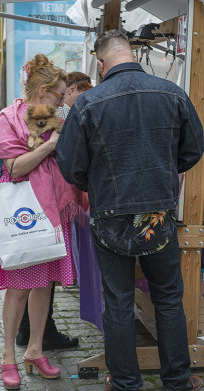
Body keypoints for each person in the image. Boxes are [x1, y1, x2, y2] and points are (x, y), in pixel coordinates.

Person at [56, 30, 204, 391]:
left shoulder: (88, 103)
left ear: (101, 63)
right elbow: (194, 148)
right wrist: (167, 172)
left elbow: (70, 166)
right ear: (132, 55)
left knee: (118, 301)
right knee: (168, 297)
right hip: (158, 214)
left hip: (110, 214)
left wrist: (97, 182)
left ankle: (124, 382)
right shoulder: (172, 93)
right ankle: (177, 380)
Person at [0, 54, 88, 390]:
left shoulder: (56, 116)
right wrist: (52, 145)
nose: (62, 99)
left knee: (45, 284)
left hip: (54, 209)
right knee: (18, 288)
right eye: (59, 94)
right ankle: (8, 356)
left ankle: (36, 350)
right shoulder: (8, 117)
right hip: (22, 215)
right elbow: (14, 167)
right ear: (42, 92)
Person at [16, 70, 92, 351]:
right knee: (41, 272)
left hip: (41, 198)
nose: (64, 98)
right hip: (43, 199)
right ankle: (37, 333)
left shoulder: (37, 111)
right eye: (62, 92)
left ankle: (34, 332)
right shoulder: (47, 113)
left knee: (38, 271)